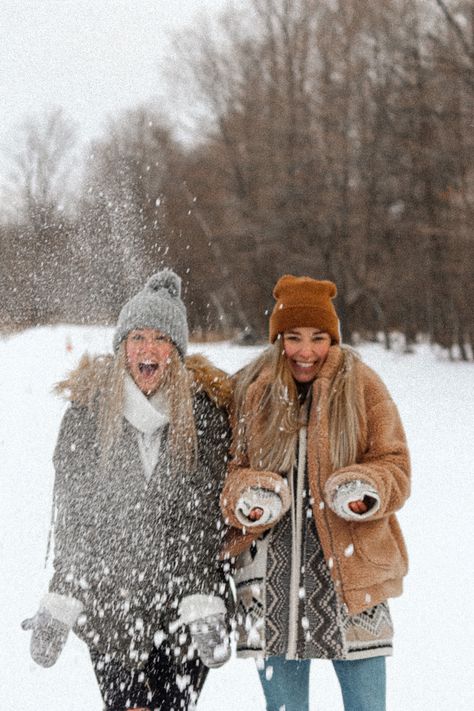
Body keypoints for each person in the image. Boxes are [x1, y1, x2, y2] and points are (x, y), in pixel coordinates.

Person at [23, 269, 233, 711]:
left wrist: (199, 593)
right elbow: (76, 516)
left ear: (176, 351)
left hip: (184, 602)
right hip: (112, 602)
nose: (148, 349)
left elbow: (203, 515)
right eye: (138, 337)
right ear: (122, 347)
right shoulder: (86, 416)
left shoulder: (206, 417)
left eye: (161, 339)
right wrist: (65, 593)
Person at [221, 275, 410, 711]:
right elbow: (229, 476)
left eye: (318, 338)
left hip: (353, 578)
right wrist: (250, 496)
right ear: (277, 339)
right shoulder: (251, 393)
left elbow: (395, 465)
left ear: (333, 337)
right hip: (273, 585)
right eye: (293, 337)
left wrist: (367, 490)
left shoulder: (364, 386)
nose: (305, 352)